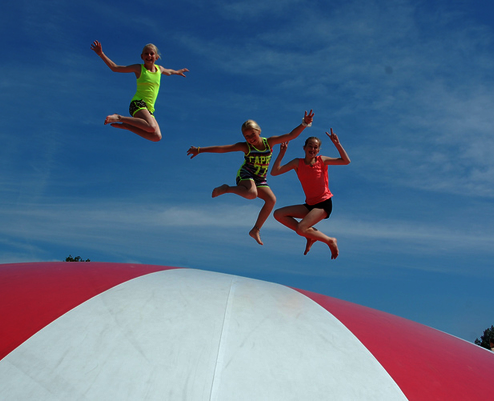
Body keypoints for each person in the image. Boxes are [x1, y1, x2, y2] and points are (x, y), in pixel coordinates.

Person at [187, 111, 315, 245]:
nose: (250, 139)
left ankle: (255, 230)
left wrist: (304, 123)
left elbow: (291, 135)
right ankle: (227, 188)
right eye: (246, 136)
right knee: (252, 193)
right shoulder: (245, 147)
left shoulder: (269, 142)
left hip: (260, 179)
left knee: (271, 200)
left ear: (259, 131)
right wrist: (200, 150)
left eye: (252, 135)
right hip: (245, 175)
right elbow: (223, 149)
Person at [269, 129, 350, 259]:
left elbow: (346, 161)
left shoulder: (322, 160)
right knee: (278, 214)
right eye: (310, 146)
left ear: (318, 150)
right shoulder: (297, 163)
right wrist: (281, 153)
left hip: (324, 203)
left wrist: (337, 144)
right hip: (310, 204)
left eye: (316, 147)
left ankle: (330, 240)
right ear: (304, 148)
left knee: (301, 228)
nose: (313, 149)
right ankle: (309, 235)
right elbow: (274, 172)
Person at [91, 40, 188, 142]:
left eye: (152, 54)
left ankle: (127, 126)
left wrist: (177, 72)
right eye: (146, 54)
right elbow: (115, 68)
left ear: (156, 57)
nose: (149, 55)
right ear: (142, 56)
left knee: (157, 136)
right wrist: (101, 54)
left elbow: (169, 72)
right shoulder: (139, 68)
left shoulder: (159, 69)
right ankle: (119, 117)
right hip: (138, 104)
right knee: (151, 127)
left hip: (149, 109)